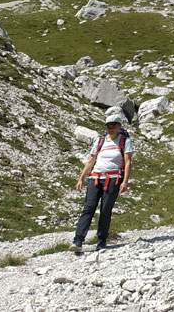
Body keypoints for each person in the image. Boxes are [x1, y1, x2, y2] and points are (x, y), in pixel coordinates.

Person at [70, 108, 133, 252]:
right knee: (89, 207)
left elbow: (128, 161)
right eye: (108, 126)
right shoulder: (100, 140)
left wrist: (125, 182)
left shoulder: (125, 141)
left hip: (113, 179)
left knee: (105, 210)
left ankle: (101, 240)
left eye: (113, 125)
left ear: (119, 126)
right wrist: (81, 178)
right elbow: (91, 160)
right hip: (95, 178)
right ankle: (78, 240)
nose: (110, 128)